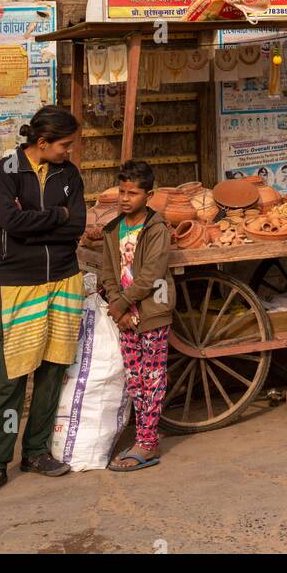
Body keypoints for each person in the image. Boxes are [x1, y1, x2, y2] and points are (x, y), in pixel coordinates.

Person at [0, 106, 86, 502]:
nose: (70, 151)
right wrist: (57, 218)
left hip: (64, 281)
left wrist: (43, 221)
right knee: (8, 379)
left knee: (52, 371)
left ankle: (35, 452)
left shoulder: (69, 174)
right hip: (18, 285)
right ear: (42, 143)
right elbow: (11, 225)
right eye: (65, 145)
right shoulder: (8, 170)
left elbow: (78, 224)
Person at [101, 160, 174, 471]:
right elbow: (107, 271)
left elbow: (150, 274)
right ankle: (146, 438)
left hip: (151, 311)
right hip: (124, 315)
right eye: (122, 191)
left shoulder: (156, 229)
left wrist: (123, 303)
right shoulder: (113, 229)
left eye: (133, 192)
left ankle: (146, 442)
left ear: (149, 195)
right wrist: (117, 305)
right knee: (134, 379)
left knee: (153, 377)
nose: (125, 198)